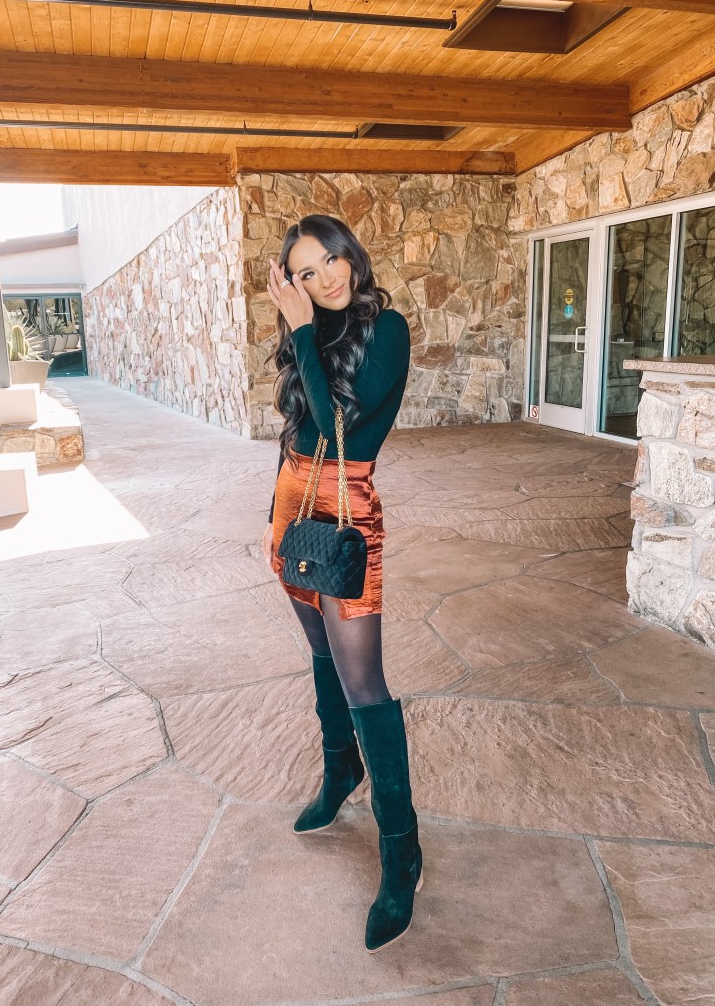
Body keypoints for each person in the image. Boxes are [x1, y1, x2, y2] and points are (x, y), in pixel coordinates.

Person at [261, 214, 422, 953]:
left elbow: (338, 435)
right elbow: (298, 435)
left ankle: (402, 851)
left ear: (350, 255)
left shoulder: (386, 329)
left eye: (330, 259)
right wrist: (272, 516)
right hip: (291, 508)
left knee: (365, 682)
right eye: (305, 272)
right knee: (322, 654)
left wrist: (300, 329)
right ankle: (340, 773)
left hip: (345, 509)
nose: (325, 278)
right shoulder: (315, 332)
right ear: (291, 281)